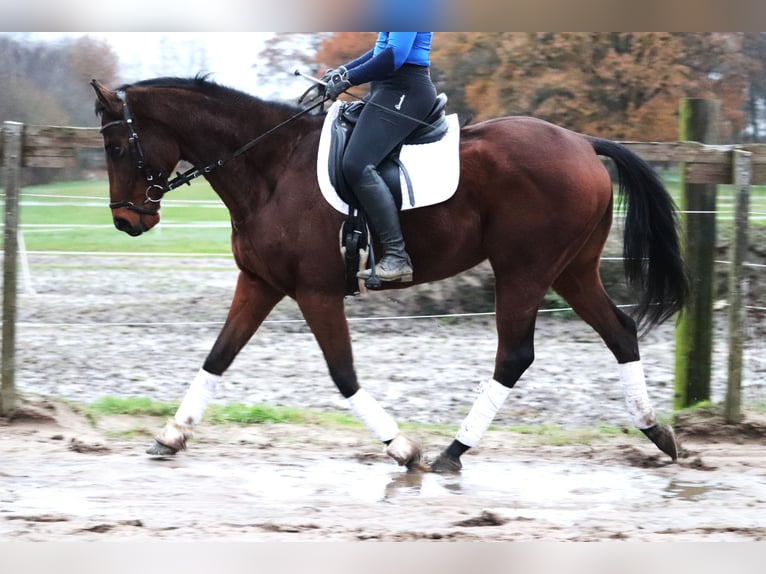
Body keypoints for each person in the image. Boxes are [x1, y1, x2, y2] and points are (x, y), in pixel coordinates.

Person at [323, 32, 437, 283]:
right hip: (387, 88)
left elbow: (394, 57)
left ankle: (397, 256)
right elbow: (380, 51)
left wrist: (348, 79)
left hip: (405, 90)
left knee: (357, 164)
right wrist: (343, 71)